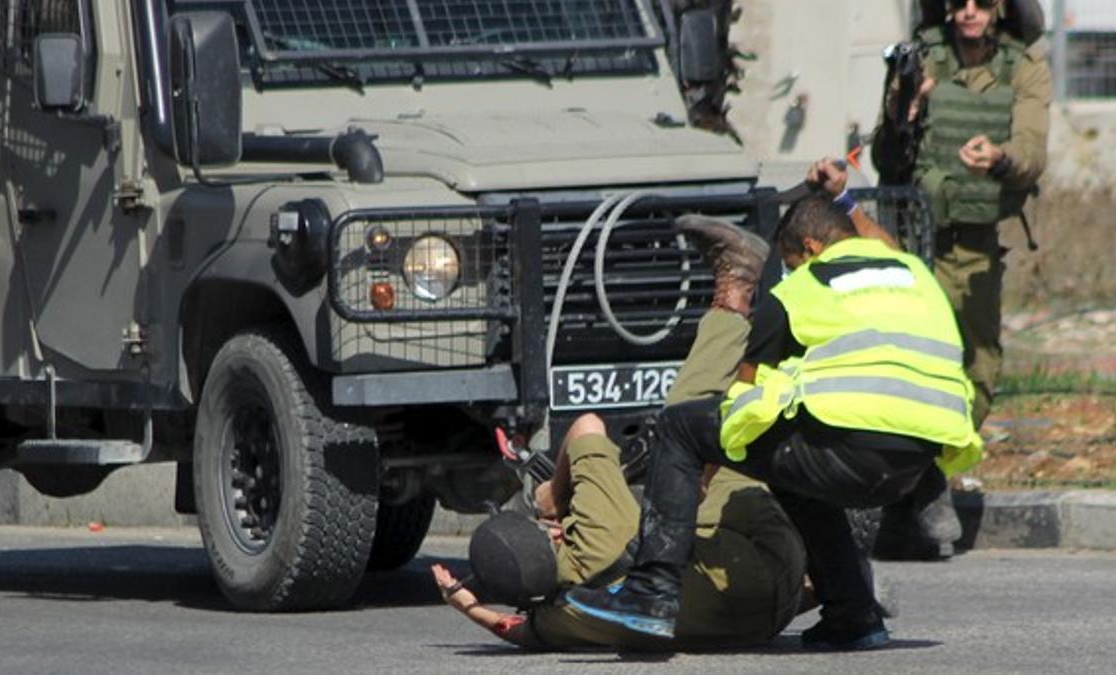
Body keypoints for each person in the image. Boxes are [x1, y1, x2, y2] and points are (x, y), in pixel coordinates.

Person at [566, 158, 983, 651]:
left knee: (681, 427)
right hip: (919, 461)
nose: (787, 272)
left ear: (809, 248)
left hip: (850, 449)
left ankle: (651, 593)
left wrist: (703, 460)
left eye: (789, 261)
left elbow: (745, 397)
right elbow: (877, 242)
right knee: (796, 475)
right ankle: (854, 614)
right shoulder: (909, 271)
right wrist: (846, 199)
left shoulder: (800, 290)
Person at [431, 226, 808, 651]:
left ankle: (833, 578)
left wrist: (468, 606)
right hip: (767, 558)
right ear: (551, 534)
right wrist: (552, 495)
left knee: (688, 525)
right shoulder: (591, 530)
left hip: (770, 615)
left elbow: (513, 629)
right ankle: (735, 297)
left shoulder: (563, 616)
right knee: (684, 426)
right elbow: (587, 426)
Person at [870, 0, 1052, 560]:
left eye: (981, 1)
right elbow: (885, 156)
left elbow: (1031, 151)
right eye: (959, 2)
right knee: (908, 365)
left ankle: (922, 480)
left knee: (977, 371)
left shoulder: (1023, 68)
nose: (969, 11)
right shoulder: (922, 60)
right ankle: (919, 493)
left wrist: (997, 157)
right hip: (911, 238)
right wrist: (908, 105)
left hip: (973, 245)